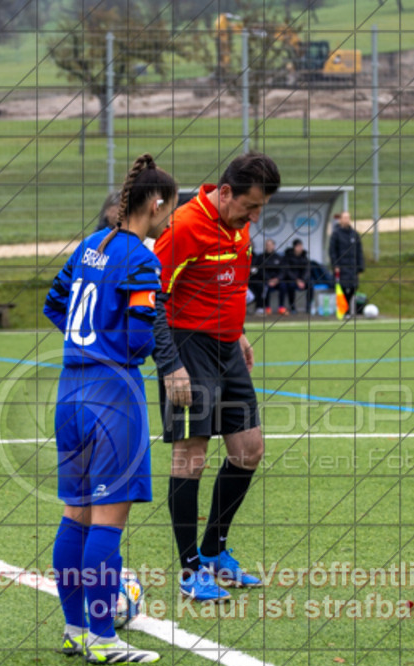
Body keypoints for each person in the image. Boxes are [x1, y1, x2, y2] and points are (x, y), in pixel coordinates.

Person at [44, 154, 178, 663]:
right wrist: (115, 351)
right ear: (157, 203)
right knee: (106, 522)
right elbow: (143, 333)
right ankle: (104, 639)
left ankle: (76, 630)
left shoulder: (87, 247)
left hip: (70, 390)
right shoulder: (143, 258)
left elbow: (55, 302)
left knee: (75, 514)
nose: (170, 220)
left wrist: (88, 342)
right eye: (171, 209)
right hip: (112, 395)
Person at [152, 152, 281, 602]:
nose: (254, 216)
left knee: (250, 450)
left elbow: (221, 284)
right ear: (225, 193)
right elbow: (153, 299)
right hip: (188, 347)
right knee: (191, 456)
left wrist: (239, 332)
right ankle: (190, 572)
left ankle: (213, 552)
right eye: (250, 206)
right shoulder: (183, 228)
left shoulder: (236, 223)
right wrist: (171, 365)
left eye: (259, 208)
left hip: (227, 347)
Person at [328, 210, 364, 316]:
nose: (346, 220)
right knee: (342, 288)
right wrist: (335, 265)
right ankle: (344, 310)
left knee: (353, 287)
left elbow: (359, 251)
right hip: (341, 267)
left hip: (352, 267)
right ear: (340, 220)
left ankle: (347, 308)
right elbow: (332, 251)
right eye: (344, 217)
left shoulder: (354, 234)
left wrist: (360, 266)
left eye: (348, 217)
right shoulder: (336, 234)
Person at [249, 238, 287, 314]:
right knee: (264, 287)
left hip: (277, 281)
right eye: (267, 245)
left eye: (270, 245)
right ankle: (267, 307)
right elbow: (260, 271)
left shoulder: (279, 257)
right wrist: (268, 279)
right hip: (266, 280)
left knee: (283, 286)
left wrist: (277, 279)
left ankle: (281, 307)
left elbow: (282, 271)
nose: (268, 247)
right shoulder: (261, 257)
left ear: (274, 246)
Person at [282, 238, 312, 314]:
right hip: (292, 280)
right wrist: (297, 280)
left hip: (302, 280)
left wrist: (303, 280)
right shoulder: (288, 257)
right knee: (290, 286)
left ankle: (308, 307)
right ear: (294, 247)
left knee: (310, 285)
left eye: (301, 246)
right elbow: (287, 271)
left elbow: (307, 270)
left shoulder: (304, 257)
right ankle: (292, 307)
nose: (300, 248)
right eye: (298, 246)